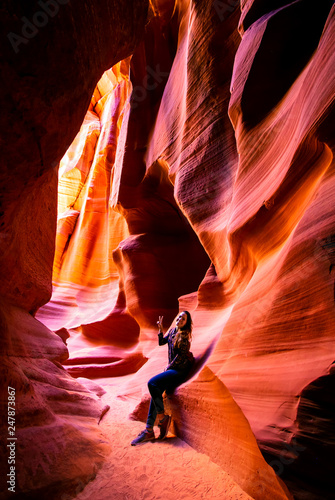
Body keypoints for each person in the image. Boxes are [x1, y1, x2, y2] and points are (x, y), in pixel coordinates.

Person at [131, 311, 195, 445]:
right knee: (156, 391)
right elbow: (161, 342)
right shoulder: (172, 331)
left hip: (178, 371)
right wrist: (160, 330)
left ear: (186, 323)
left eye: (183, 319)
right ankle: (149, 430)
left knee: (152, 383)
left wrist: (168, 368)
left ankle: (162, 418)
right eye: (179, 317)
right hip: (172, 369)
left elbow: (180, 359)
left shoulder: (184, 338)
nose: (180, 319)